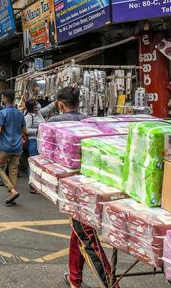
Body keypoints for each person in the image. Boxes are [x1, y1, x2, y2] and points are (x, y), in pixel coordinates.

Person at [50, 87, 119, 288]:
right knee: (78, 232)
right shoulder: (89, 121)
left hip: (72, 189)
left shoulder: (55, 122)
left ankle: (111, 284)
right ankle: (74, 278)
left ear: (60, 103)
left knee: (86, 235)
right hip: (91, 183)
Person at [0, 90, 26, 205]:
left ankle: (12, 190)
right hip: (17, 146)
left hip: (5, 146)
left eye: (2, 97)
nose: (1, 99)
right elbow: (24, 130)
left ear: (6, 99)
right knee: (13, 170)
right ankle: (13, 193)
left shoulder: (3, 113)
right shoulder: (20, 113)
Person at [24, 99, 45, 193]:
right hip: (33, 141)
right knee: (33, 163)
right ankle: (32, 185)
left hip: (40, 141)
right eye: (36, 104)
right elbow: (26, 130)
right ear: (32, 107)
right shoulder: (28, 116)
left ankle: (37, 184)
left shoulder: (38, 114)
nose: (38, 105)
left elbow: (47, 109)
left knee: (38, 163)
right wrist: (37, 131)